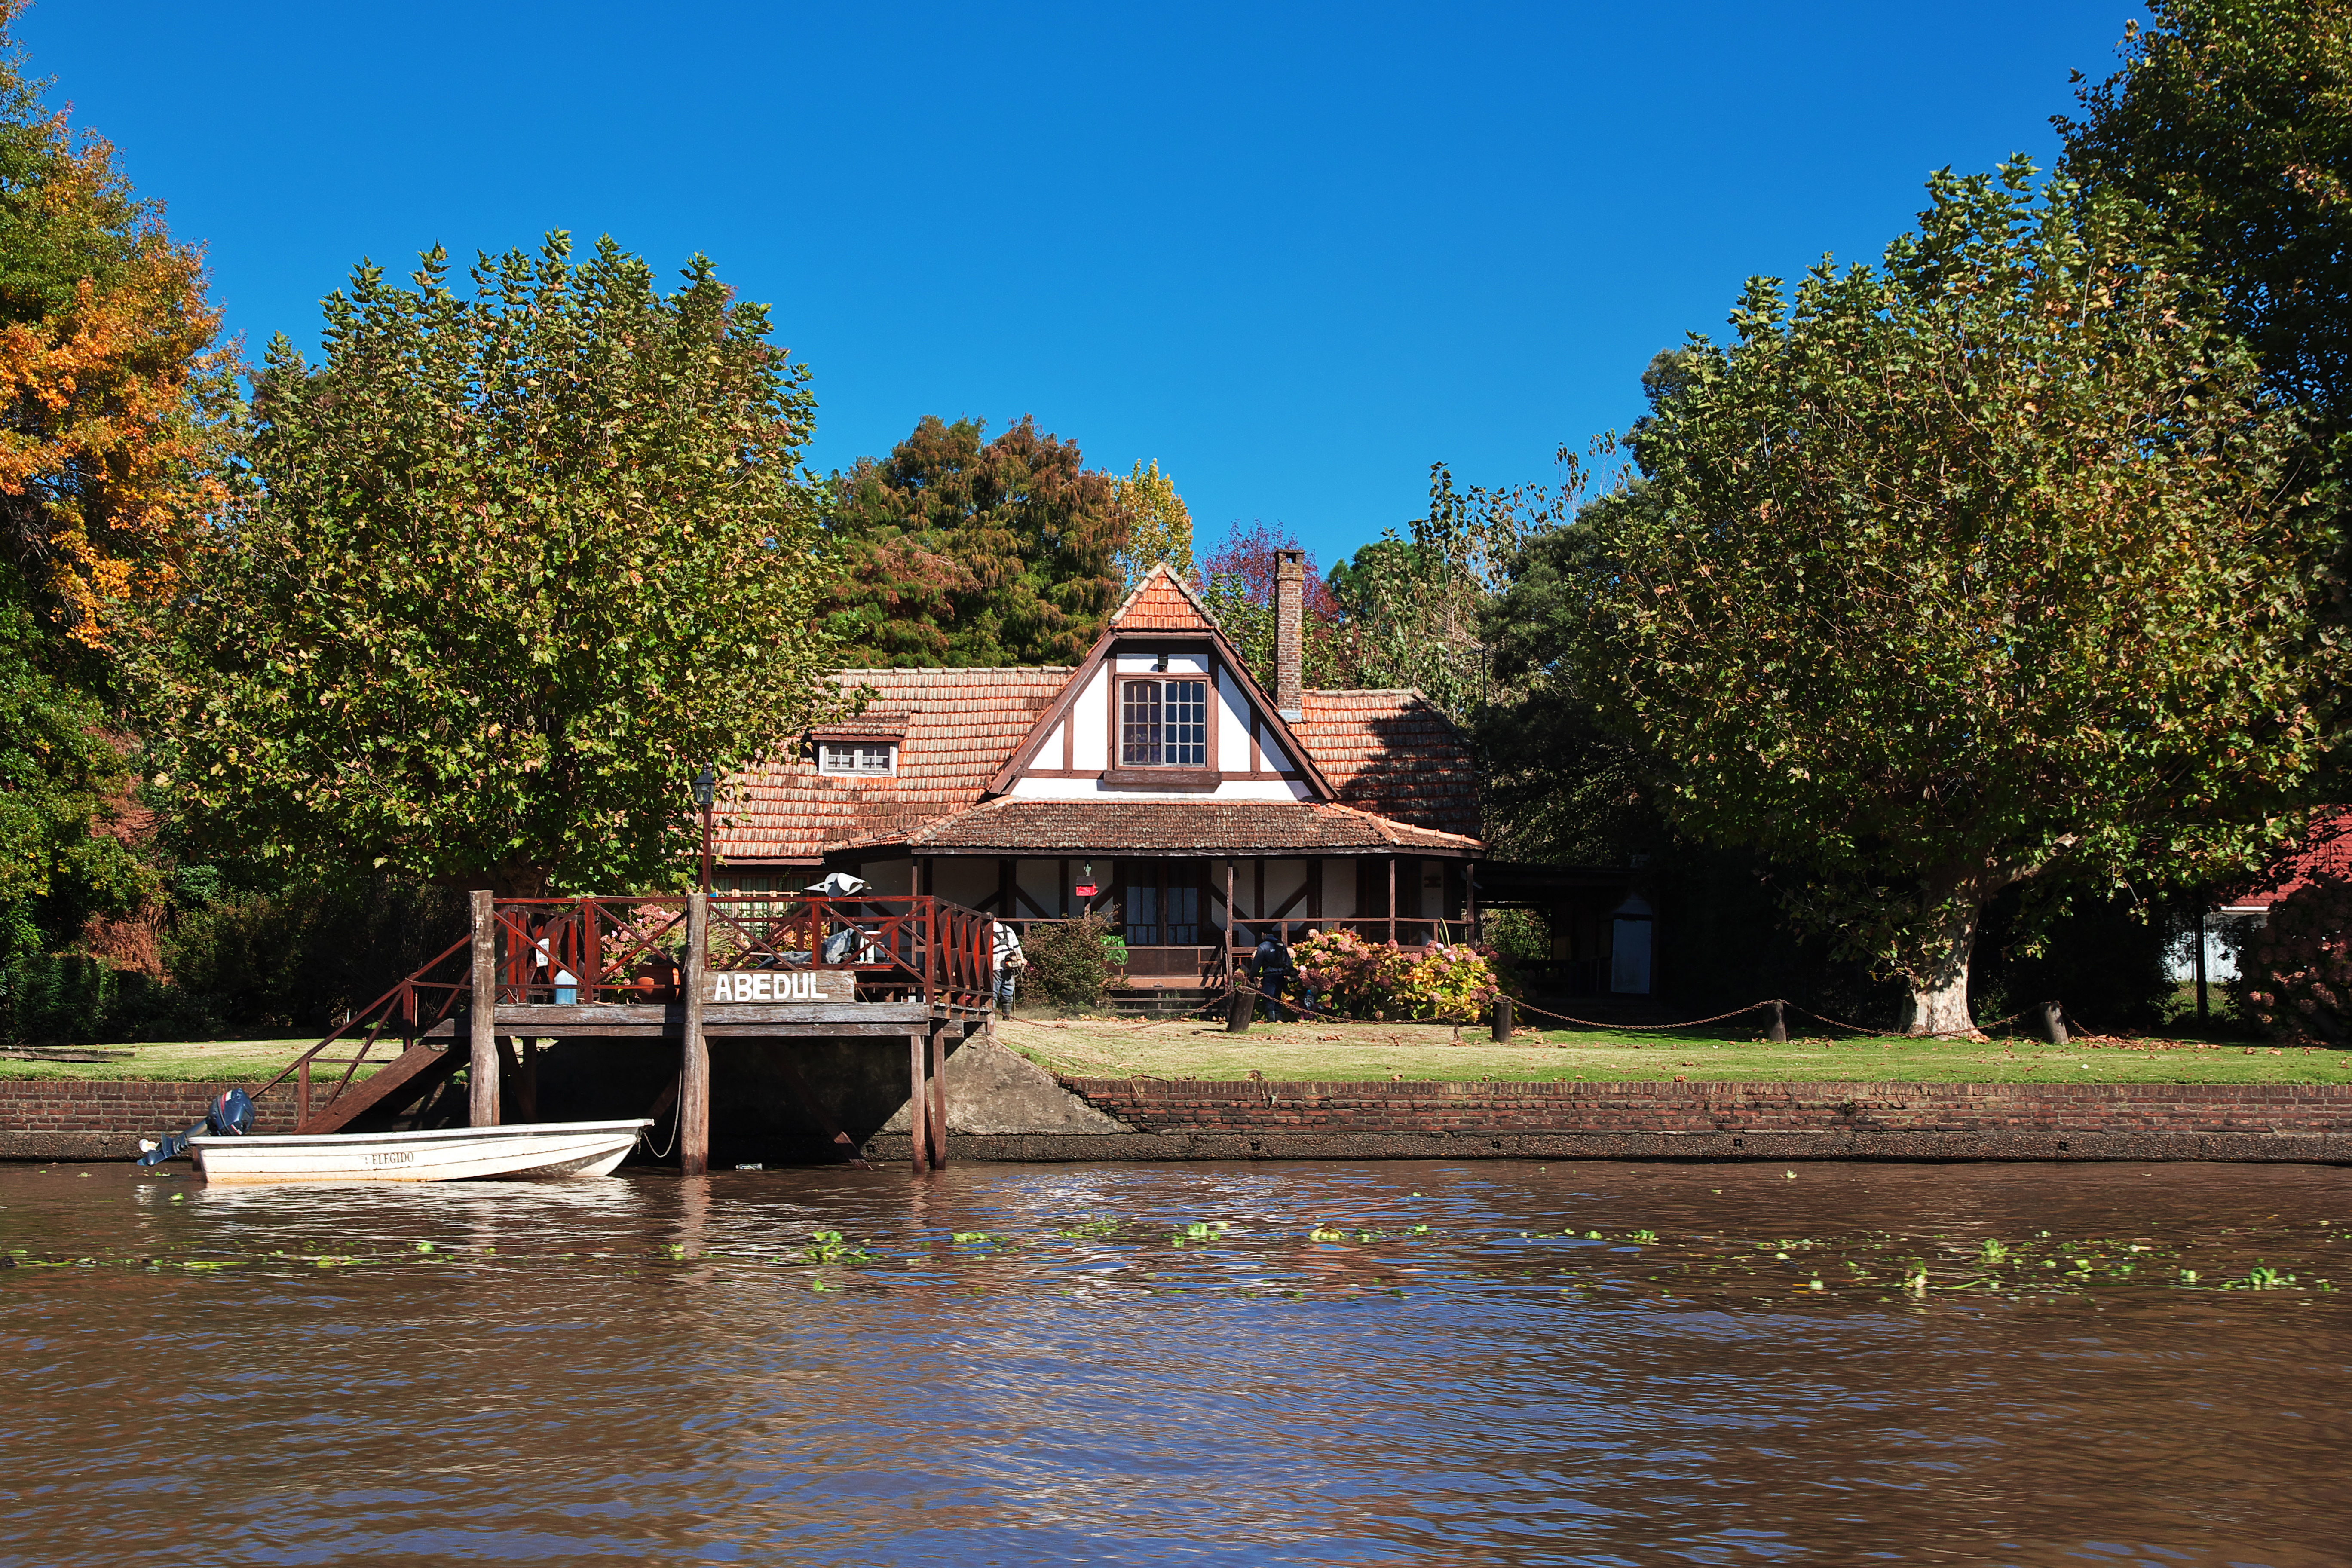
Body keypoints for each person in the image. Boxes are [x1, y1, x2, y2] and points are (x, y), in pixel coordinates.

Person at [1251, 931, 1298, 1022]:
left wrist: (1253, 976)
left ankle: (1271, 1019)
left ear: (1263, 934)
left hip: (1269, 975)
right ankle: (1279, 1018)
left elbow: (1256, 965)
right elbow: (1288, 962)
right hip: (1280, 974)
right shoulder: (1281, 945)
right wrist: (1290, 973)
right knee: (1278, 997)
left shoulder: (1263, 947)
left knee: (1269, 997)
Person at [992, 919, 1026, 1014]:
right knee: (1008, 991)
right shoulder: (1008, 929)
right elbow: (1017, 947)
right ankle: (1006, 1016)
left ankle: (992, 1017)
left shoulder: (986, 931)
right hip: (1010, 965)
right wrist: (1021, 960)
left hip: (995, 965)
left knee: (993, 993)